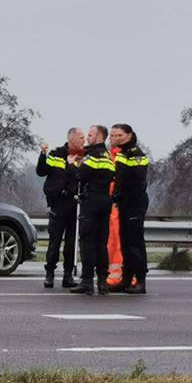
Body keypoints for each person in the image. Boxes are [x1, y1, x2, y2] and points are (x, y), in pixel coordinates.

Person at [69, 125, 116, 295]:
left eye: (90, 135)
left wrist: (73, 164)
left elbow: (81, 175)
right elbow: (111, 176)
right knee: (101, 243)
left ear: (99, 136)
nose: (88, 138)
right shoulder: (108, 156)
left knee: (87, 241)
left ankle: (87, 281)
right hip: (105, 200)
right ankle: (102, 282)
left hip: (91, 201)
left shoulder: (93, 156)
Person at [36, 128, 85, 288]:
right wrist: (43, 154)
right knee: (54, 242)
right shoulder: (57, 155)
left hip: (74, 203)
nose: (84, 140)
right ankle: (49, 274)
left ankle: (67, 276)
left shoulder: (84, 157)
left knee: (71, 243)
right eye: (81, 138)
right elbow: (41, 171)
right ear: (71, 139)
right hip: (58, 203)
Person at [110, 123, 150, 294]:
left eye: (119, 135)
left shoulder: (136, 154)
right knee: (125, 242)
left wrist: (123, 195)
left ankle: (140, 280)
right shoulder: (121, 153)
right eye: (113, 135)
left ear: (129, 135)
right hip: (124, 203)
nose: (116, 138)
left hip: (134, 202)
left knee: (135, 243)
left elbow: (138, 181)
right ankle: (126, 279)